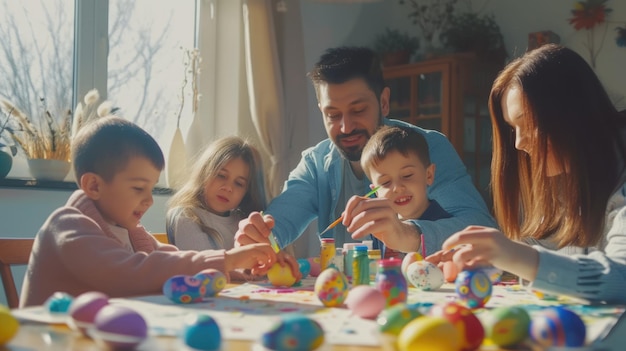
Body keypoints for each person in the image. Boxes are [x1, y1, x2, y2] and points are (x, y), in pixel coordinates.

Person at [235, 46, 496, 272]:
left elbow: (483, 230)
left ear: (383, 102)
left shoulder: (428, 148)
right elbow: (278, 224)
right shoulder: (316, 163)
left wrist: (407, 235)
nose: (346, 127)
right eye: (333, 115)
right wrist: (259, 238)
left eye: (358, 110)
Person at [426, 44, 626, 303]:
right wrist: (495, 260)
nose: (519, 143)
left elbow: (620, 278)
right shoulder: (568, 176)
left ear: (571, 114)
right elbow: (564, 263)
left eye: (528, 123)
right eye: (513, 128)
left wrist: (515, 255)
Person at [20, 117, 276, 307]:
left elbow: (173, 259)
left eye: (151, 188)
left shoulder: (130, 231)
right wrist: (228, 259)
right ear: (94, 185)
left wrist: (244, 269)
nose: (149, 200)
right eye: (138, 188)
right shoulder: (67, 225)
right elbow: (129, 272)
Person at [360, 125, 451, 259]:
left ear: (429, 175)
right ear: (375, 191)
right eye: (385, 182)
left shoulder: (445, 227)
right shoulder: (380, 228)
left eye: (407, 175)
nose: (397, 188)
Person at [166, 136, 266, 251]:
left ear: (247, 192)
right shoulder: (186, 216)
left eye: (239, 183)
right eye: (221, 175)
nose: (228, 188)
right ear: (204, 172)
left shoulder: (243, 221)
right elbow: (204, 266)